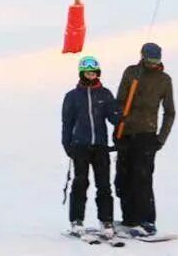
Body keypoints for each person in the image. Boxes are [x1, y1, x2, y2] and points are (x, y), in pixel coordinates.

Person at [114, 42, 176, 239]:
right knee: (123, 178)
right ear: (143, 57)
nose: (153, 64)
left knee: (142, 179)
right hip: (125, 133)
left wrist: (161, 138)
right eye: (149, 60)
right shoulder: (131, 73)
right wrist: (118, 129)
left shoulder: (164, 80)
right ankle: (129, 219)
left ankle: (147, 221)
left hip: (147, 136)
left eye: (156, 61)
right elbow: (119, 102)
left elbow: (170, 112)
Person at [62, 55, 122, 239]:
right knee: (80, 183)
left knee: (103, 185)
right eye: (88, 72)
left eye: (94, 72)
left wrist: (118, 112)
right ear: (81, 73)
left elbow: (113, 119)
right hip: (80, 146)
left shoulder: (105, 94)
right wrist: (67, 145)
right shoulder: (72, 96)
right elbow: (67, 122)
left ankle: (106, 220)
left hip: (100, 146)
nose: (91, 75)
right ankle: (76, 220)